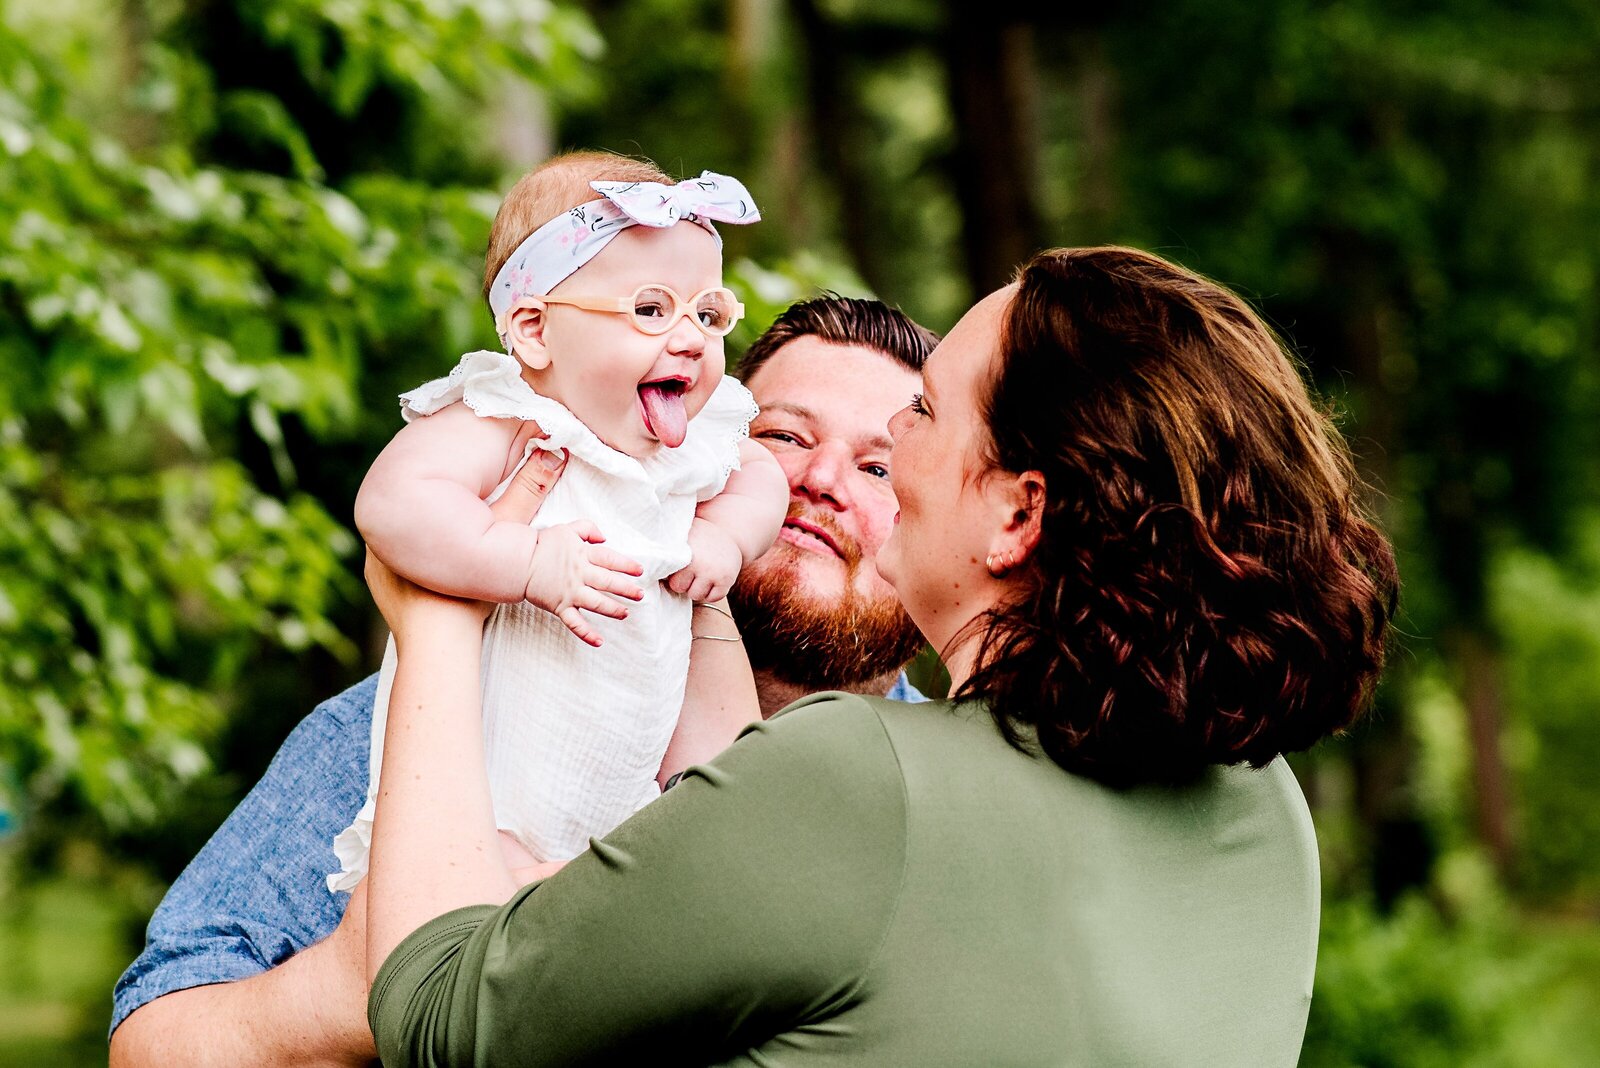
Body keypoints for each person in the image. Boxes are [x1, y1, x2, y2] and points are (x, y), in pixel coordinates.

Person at [360, 246, 1399, 1066]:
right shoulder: (1266, 819)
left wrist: (438, 622)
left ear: (1016, 513)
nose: (888, 451)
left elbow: (442, 1022)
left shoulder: (856, 781)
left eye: (924, 414)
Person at [108, 294, 938, 1067]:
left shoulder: (959, 797)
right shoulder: (411, 724)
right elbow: (153, 1036)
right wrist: (365, 978)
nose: (820, 480)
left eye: (879, 470)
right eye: (785, 438)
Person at [327, 152, 789, 890]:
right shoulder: (516, 419)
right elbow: (393, 503)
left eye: (709, 313)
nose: (693, 339)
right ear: (536, 332)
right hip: (486, 804)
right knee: (494, 907)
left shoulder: (695, 443)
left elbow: (764, 475)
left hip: (622, 790)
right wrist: (522, 560)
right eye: (650, 309)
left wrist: (727, 534)